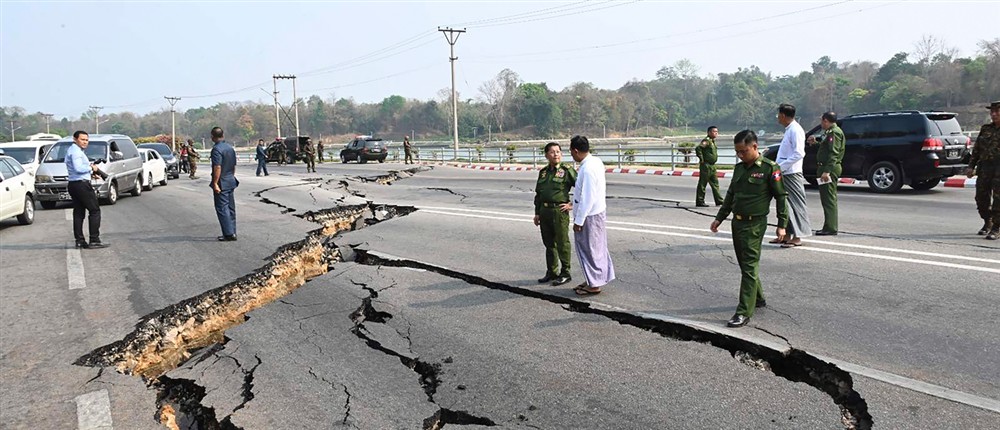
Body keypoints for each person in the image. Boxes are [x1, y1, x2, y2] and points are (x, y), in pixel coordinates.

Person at [711, 130, 788, 328]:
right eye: (737, 152)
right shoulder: (739, 169)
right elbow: (730, 195)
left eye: (743, 151)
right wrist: (719, 218)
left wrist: (782, 225)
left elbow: (781, 197)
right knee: (746, 265)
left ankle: (744, 311)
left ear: (755, 146)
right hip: (737, 222)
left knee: (749, 265)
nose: (740, 155)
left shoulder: (770, 168)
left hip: (754, 224)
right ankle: (759, 298)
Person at [570, 135, 615, 295]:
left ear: (575, 151)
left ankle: (594, 284)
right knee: (597, 248)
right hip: (597, 212)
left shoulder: (588, 169)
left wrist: (579, 221)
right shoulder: (595, 161)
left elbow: (587, 197)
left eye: (571, 152)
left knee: (589, 250)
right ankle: (593, 278)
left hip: (590, 216)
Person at [534, 142, 577, 287]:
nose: (556, 154)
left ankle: (565, 273)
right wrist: (537, 213)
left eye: (558, 151)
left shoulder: (567, 170)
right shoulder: (544, 172)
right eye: (552, 152)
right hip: (544, 211)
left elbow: (582, 187)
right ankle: (552, 271)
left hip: (559, 211)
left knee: (562, 242)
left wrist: (572, 205)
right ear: (546, 155)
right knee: (549, 243)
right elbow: (538, 194)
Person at [773, 103, 811, 248]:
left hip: (791, 172)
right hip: (785, 172)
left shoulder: (795, 130)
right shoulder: (789, 129)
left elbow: (799, 153)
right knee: (785, 204)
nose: (777, 117)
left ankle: (797, 236)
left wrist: (781, 167)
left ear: (783, 115)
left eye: (778, 115)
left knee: (796, 204)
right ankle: (786, 234)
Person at [65, 130, 108, 249]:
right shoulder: (76, 152)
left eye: (86, 140)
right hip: (81, 185)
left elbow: (76, 169)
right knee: (94, 210)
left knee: (79, 212)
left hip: (74, 183)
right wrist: (91, 168)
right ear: (75, 139)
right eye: (82, 139)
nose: (85, 142)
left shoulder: (73, 150)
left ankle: (79, 240)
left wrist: (90, 173)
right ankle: (94, 239)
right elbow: (79, 168)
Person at [966, 100, 1000, 240]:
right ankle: (988, 222)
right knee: (981, 198)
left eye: (997, 111)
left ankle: (997, 228)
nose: (994, 114)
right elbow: (977, 150)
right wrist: (971, 166)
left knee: (998, 200)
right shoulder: (986, 129)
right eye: (992, 112)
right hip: (985, 168)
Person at [808, 111, 845, 235]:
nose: (821, 123)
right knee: (827, 198)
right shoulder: (830, 132)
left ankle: (830, 227)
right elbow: (826, 148)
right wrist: (816, 144)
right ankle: (828, 226)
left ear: (825, 120)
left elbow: (833, 153)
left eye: (821, 121)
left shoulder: (834, 132)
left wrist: (827, 171)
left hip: (829, 168)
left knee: (828, 199)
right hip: (825, 167)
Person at [210, 127, 239, 241]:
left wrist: (215, 183)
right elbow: (233, 166)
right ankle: (233, 231)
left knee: (222, 208)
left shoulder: (217, 149)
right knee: (231, 207)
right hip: (230, 179)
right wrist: (231, 176)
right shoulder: (230, 148)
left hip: (222, 181)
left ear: (212, 136)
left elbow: (217, 167)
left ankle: (228, 233)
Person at [695, 126, 724, 207]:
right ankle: (700, 201)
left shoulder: (712, 141)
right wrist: (701, 159)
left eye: (717, 131)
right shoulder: (706, 141)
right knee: (703, 183)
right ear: (709, 132)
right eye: (714, 131)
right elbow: (698, 148)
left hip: (712, 166)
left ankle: (719, 200)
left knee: (715, 184)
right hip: (706, 165)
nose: (716, 133)